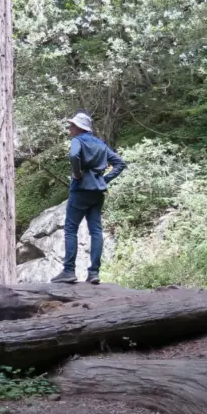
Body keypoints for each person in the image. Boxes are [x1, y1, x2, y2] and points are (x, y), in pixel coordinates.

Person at [51, 111, 127, 285]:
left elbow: (73, 156)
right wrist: (104, 179)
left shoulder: (78, 141)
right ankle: (94, 273)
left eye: (72, 126)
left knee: (71, 229)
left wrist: (77, 174)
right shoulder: (100, 144)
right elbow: (120, 163)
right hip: (97, 192)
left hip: (80, 190)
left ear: (79, 128)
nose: (69, 128)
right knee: (96, 231)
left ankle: (69, 271)